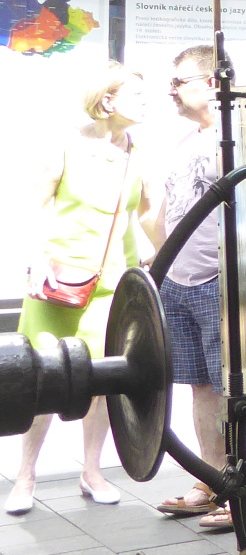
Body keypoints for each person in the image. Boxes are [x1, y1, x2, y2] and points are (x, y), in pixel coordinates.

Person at [8, 65, 154, 515]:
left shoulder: (137, 152)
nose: (146, 102)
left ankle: (91, 471)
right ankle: (26, 474)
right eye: (137, 95)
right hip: (58, 281)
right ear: (107, 101)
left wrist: (156, 261)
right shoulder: (66, 144)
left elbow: (146, 213)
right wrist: (34, 258)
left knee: (102, 379)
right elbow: (34, 208)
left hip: (112, 285)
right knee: (41, 377)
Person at [150, 47, 232, 531]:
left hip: (220, 279)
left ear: (212, 82)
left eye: (179, 82)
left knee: (232, 386)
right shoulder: (184, 142)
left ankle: (242, 491)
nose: (172, 91)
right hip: (179, 281)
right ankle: (211, 477)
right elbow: (167, 210)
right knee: (202, 387)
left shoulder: (236, 139)